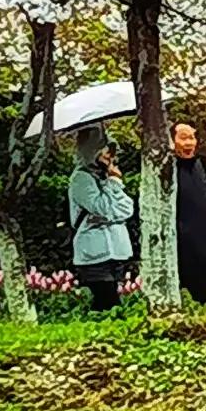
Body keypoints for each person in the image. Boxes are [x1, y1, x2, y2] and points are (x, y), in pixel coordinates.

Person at [65, 126, 137, 311]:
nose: (109, 155)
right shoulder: (81, 178)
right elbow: (102, 209)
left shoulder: (105, 177)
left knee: (113, 305)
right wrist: (112, 183)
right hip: (94, 255)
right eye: (104, 149)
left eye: (111, 150)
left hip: (117, 252)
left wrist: (112, 183)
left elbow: (126, 209)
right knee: (107, 303)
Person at [170, 120, 206, 307]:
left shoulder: (198, 165)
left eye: (192, 137)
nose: (190, 143)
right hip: (183, 241)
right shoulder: (169, 170)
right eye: (183, 138)